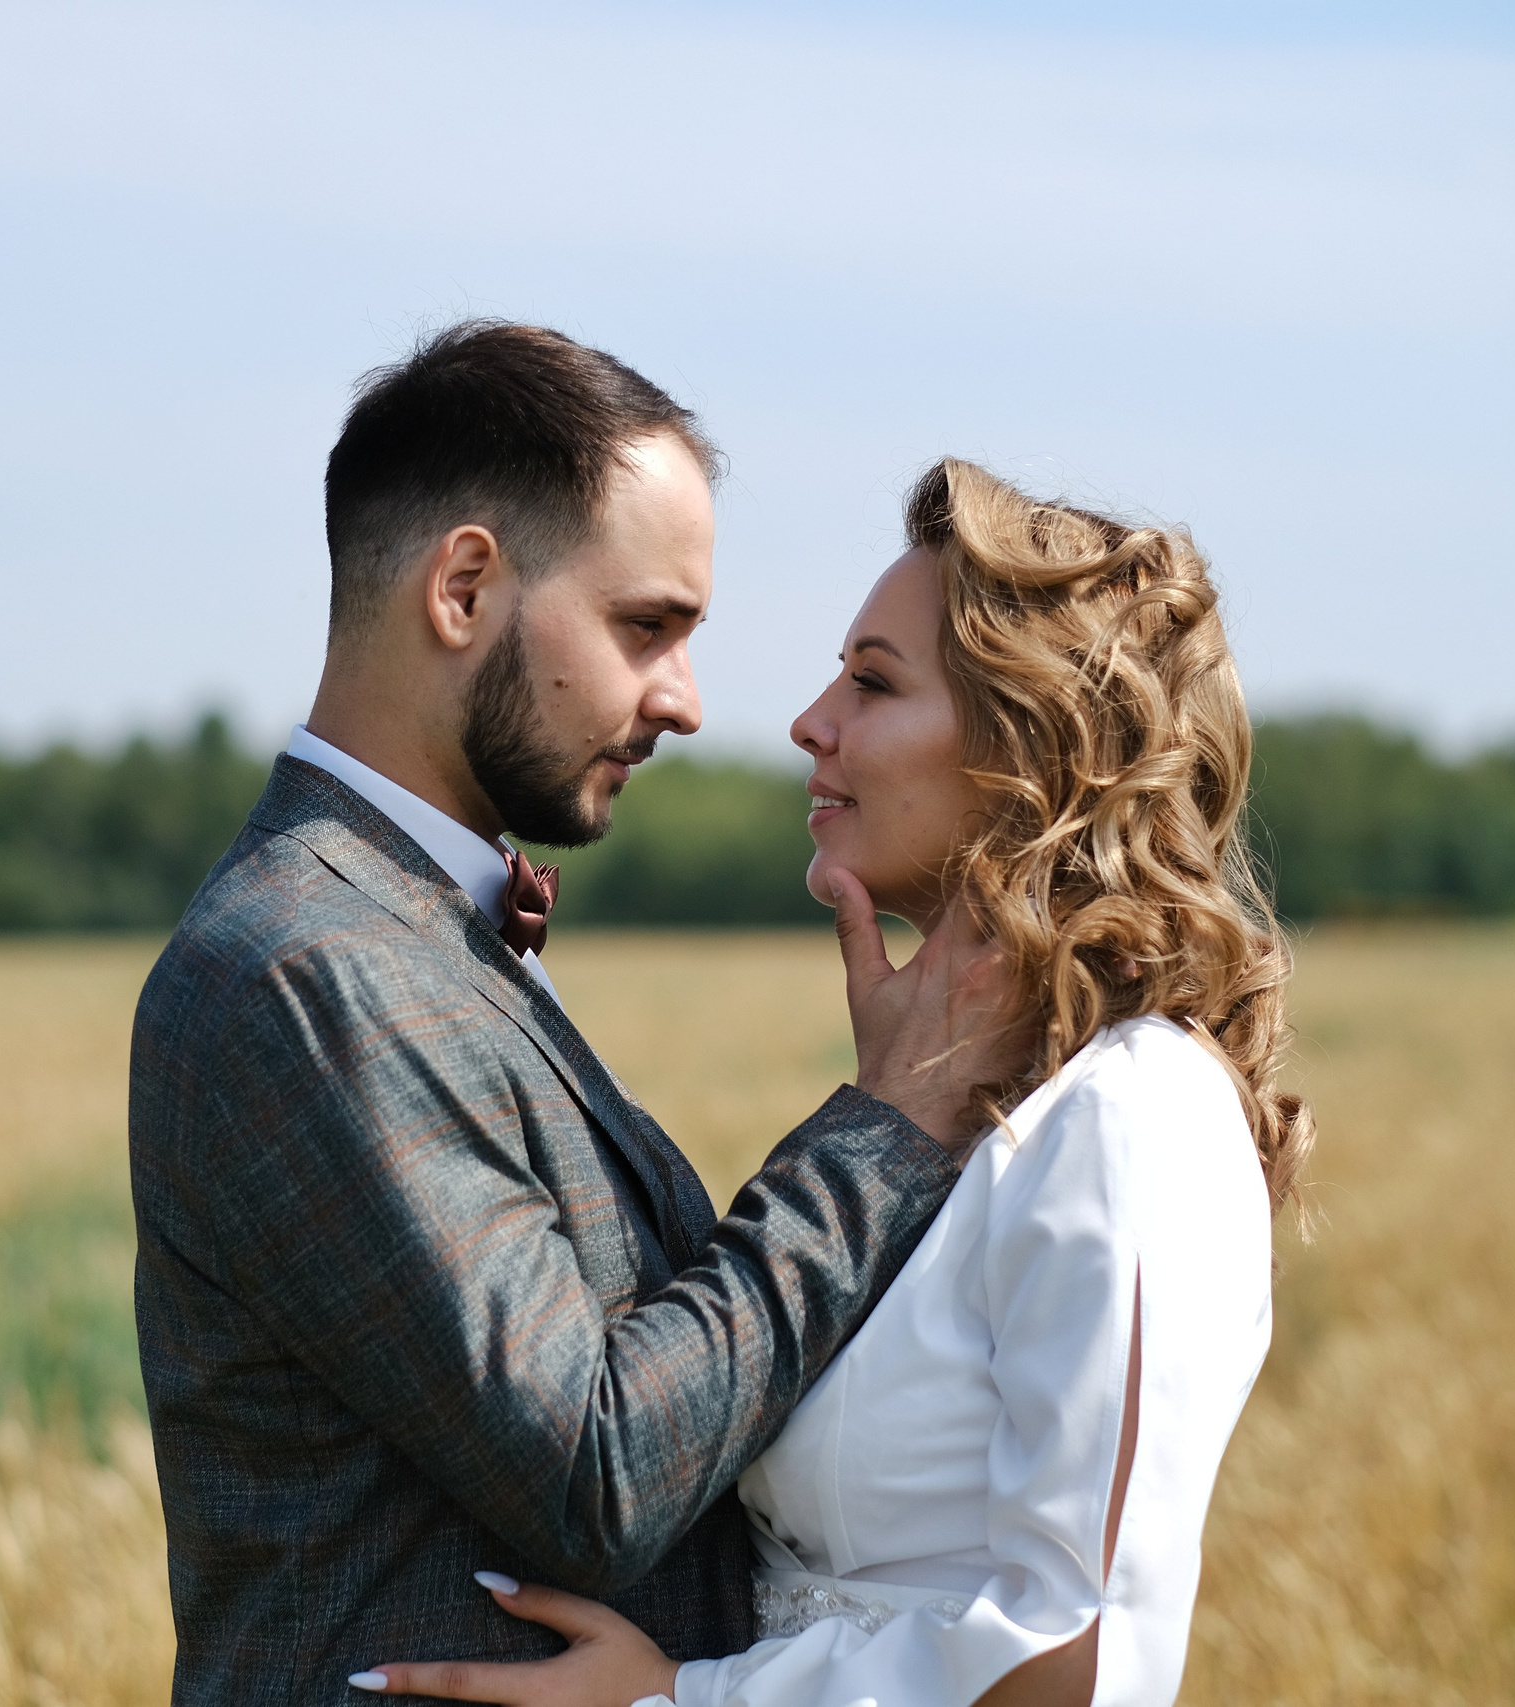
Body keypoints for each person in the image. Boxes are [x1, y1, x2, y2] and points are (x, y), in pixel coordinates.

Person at [127, 325, 1031, 1706]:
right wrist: (889, 1127)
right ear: (464, 588)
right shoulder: (309, 967)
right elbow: (595, 1469)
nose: (686, 700)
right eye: (645, 627)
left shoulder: (408, 926)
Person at [355, 458, 1314, 1707]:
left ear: (1033, 748)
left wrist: (680, 1699)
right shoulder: (975, 1112)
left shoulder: (1131, 1115)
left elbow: (1073, 1658)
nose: (810, 722)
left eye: (872, 681)